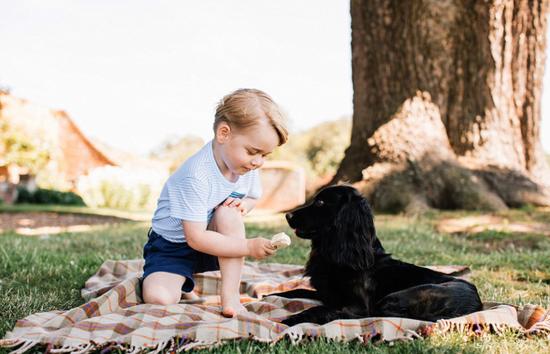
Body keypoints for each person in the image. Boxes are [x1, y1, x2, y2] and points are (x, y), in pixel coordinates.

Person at [142, 88, 288, 317]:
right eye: (253, 151)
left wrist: (243, 207)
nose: (258, 162)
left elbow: (251, 197)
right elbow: (196, 238)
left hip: (215, 240)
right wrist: (249, 246)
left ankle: (230, 298)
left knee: (229, 214)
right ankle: (178, 280)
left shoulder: (245, 166)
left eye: (265, 155)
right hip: (173, 246)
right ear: (223, 133)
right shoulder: (196, 175)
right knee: (159, 299)